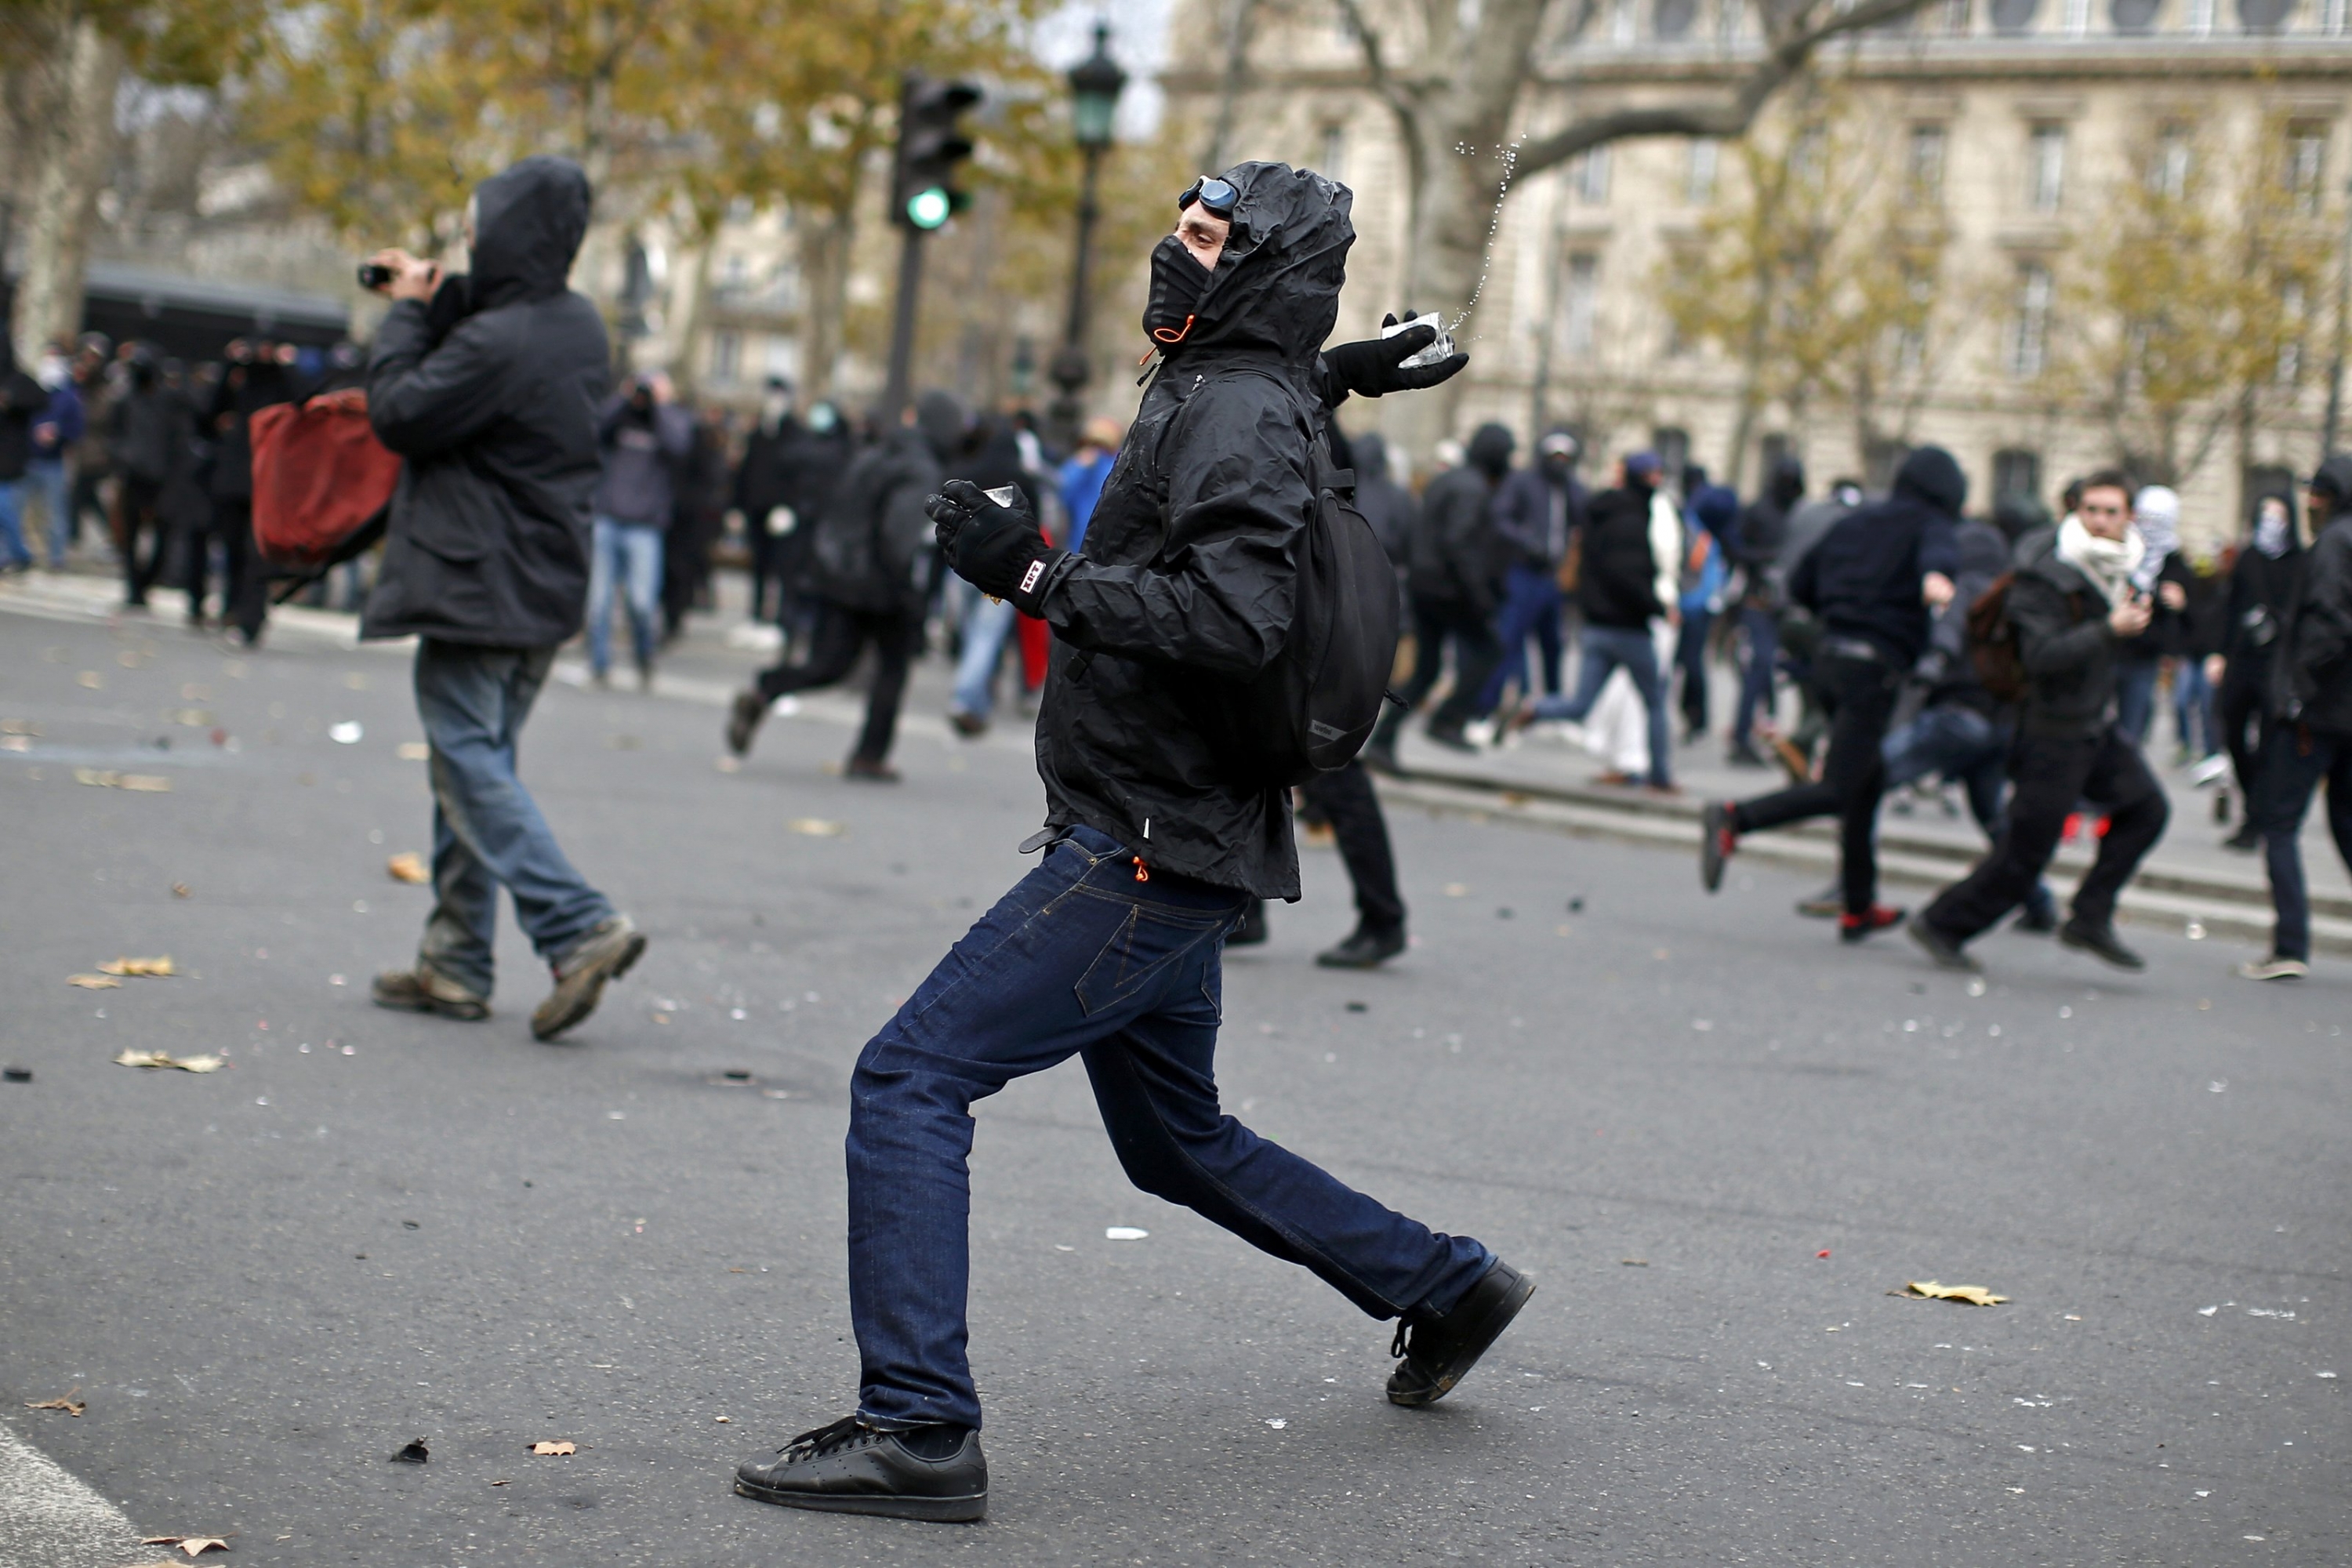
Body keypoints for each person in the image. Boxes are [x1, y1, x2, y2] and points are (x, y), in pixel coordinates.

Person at [731, 162, 1526, 1524]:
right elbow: (1251, 448)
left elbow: (1233, 621)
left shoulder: (1232, 406)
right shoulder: (1252, 385)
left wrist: (1032, 577)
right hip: (1184, 828)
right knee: (1177, 1142)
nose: (1177, 249)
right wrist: (1334, 370)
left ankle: (921, 1428)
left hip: (1146, 840)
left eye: (1209, 239)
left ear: (1257, 271)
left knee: (908, 1080)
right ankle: (1446, 1285)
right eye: (1181, 226)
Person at [359, 154, 645, 1040]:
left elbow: (400, 410)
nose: (472, 241)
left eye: (480, 227)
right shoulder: (572, 323)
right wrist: (435, 291)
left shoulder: (499, 340)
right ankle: (455, 960)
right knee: (477, 769)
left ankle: (576, 924)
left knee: (466, 764)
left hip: (475, 580)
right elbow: (497, 327)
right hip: (541, 580)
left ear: (509, 235)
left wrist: (407, 310)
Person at [1907, 470, 2170, 974]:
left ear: (2128, 518)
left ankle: (2089, 917)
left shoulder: (2123, 565)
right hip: (2051, 731)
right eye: (2089, 509)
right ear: (2074, 511)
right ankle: (1944, 923)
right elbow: (2043, 656)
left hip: (2094, 724)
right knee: (2026, 851)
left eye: (2110, 512)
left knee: (2147, 809)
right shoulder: (2047, 573)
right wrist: (2108, 629)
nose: (2099, 521)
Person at [1700, 448, 1963, 942]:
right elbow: (1937, 561)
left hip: (1828, 658)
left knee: (1866, 784)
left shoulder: (1856, 522)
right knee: (1841, 789)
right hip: (1873, 667)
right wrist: (1934, 584)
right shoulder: (1930, 523)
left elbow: (1801, 583)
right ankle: (1735, 819)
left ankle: (1858, 906)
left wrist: (1844, 604)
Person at [724, 391, 962, 779]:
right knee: (892, 670)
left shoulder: (876, 453)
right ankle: (869, 755)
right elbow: (900, 534)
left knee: (827, 664)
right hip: (884, 584)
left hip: (841, 576)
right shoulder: (921, 469)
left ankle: (766, 689)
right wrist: (908, 589)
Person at [1878, 497, 2060, 932]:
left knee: (1867, 779)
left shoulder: (1967, 590)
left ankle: (1851, 887)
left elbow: (1943, 642)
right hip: (1998, 725)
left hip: (1958, 716)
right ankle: (2039, 901)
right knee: (1995, 821)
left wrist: (1919, 685)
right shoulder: (2012, 593)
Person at [2238, 456, 2352, 982]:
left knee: (2279, 822)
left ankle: (2290, 943)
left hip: (2317, 712)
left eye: (2317, 493)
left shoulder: (2333, 543)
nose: (2308, 503)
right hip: (2341, 711)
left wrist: (2297, 692)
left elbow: (2329, 624)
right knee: (2345, 825)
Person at [1516, 452, 1682, 793]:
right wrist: (1658, 608)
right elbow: (1630, 577)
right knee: (1654, 702)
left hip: (1595, 625)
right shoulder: (1633, 520)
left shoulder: (1598, 513)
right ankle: (1661, 777)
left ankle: (1535, 709)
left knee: (1581, 705)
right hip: (1630, 629)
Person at [1380, 423, 1513, 753]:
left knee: (1426, 669)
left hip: (1426, 586)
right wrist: (1479, 596)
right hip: (1449, 590)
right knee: (1490, 649)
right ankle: (1448, 720)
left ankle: (1384, 740)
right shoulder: (1473, 489)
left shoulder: (1447, 480)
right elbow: (1459, 543)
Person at [2212, 486, 2305, 851]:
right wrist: (2219, 652)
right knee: (2233, 733)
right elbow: (2230, 606)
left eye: (2278, 515)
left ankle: (2256, 818)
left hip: (2276, 664)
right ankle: (2253, 802)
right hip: (2242, 659)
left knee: (2269, 743)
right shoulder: (2249, 557)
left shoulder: (2300, 561)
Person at [589, 371, 692, 688]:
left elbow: (679, 447)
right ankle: (599, 665)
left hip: (645, 527)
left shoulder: (670, 420)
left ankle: (644, 657)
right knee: (598, 603)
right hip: (608, 519)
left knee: (642, 604)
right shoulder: (620, 417)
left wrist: (656, 408)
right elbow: (596, 429)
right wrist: (626, 399)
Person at [198, 339, 303, 644]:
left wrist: (286, 366)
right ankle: (232, 608)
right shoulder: (239, 388)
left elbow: (305, 401)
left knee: (257, 554)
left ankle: (250, 617)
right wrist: (231, 366)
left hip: (267, 482)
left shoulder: (282, 391)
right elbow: (208, 413)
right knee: (231, 548)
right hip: (234, 481)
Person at [1475, 428, 1584, 716]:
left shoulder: (1571, 488)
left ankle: (1552, 706)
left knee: (1553, 645)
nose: (1560, 462)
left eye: (1565, 457)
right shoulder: (1524, 482)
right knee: (1509, 639)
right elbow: (1501, 517)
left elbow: (1582, 517)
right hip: (1524, 572)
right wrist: (1527, 540)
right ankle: (1488, 706)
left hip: (1554, 577)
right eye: (1555, 456)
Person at [1728, 456, 1806, 765]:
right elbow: (1735, 548)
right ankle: (1744, 734)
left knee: (1783, 672)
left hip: (1788, 606)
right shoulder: (1759, 511)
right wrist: (1765, 560)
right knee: (1759, 667)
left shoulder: (1800, 513)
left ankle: (1777, 735)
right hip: (1760, 601)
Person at [108, 347, 180, 607]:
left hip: (163, 478)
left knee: (164, 534)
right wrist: (123, 457)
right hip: (133, 474)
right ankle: (134, 585)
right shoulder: (126, 401)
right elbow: (114, 434)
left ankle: (145, 581)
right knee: (129, 534)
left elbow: (177, 437)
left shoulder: (168, 401)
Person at [1675, 484, 1735, 742]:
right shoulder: (1709, 534)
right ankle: (1696, 716)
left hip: (1691, 604)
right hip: (1698, 604)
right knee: (1692, 663)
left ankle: (1695, 716)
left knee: (1688, 663)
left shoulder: (1695, 530)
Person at [26, 340, 84, 571]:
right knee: (15, 508)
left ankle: (56, 558)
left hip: (53, 463)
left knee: (55, 513)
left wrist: (58, 435)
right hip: (28, 459)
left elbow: (77, 429)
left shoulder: (69, 397)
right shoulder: (31, 390)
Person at [0, 338, 48, 573]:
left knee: (4, 506)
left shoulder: (19, 381)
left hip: (9, 456)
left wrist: (10, 401)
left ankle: (20, 553)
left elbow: (41, 400)